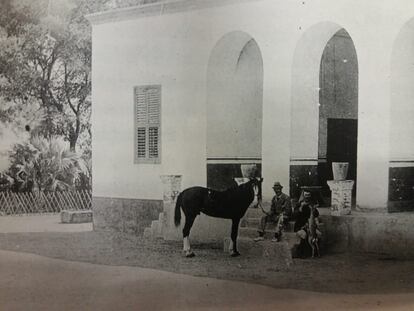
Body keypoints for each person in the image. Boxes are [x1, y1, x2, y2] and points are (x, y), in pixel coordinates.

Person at [293, 190, 322, 256]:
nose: (307, 198)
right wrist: (300, 208)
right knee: (304, 234)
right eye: (306, 196)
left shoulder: (311, 205)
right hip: (300, 226)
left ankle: (316, 252)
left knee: (319, 234)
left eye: (308, 196)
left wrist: (313, 209)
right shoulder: (299, 204)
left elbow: (316, 215)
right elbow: (295, 215)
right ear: (303, 196)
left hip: (310, 225)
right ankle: (301, 253)